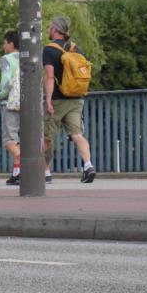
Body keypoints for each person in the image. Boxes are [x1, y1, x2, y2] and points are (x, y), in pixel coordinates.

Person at [42, 16, 96, 184]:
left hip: (58, 100)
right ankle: (88, 165)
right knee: (78, 134)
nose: (48, 29)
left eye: (50, 27)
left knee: (47, 138)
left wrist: (48, 101)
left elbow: (50, 77)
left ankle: (45, 172)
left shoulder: (49, 50)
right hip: (76, 98)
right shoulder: (76, 49)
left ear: (55, 30)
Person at [0, 29, 21, 185]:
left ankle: (22, 169)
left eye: (5, 43)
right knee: (22, 140)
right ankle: (17, 172)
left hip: (10, 103)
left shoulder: (7, 59)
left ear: (11, 43)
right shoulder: (29, 57)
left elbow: (6, 80)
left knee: (10, 140)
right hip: (28, 103)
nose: (4, 46)